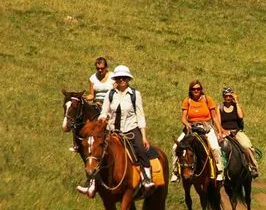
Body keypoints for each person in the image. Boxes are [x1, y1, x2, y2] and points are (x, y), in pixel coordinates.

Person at [76, 65, 154, 197]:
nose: (122, 80)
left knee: (141, 149)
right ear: (115, 79)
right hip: (112, 130)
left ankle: (147, 178)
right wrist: (102, 120)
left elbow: (140, 116)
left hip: (130, 129)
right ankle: (91, 184)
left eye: (124, 78)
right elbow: (104, 111)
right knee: (97, 151)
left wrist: (144, 136)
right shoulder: (110, 94)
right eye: (119, 78)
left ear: (128, 79)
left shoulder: (135, 94)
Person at [170, 80, 224, 183]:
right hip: (191, 127)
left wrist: (219, 131)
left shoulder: (208, 100)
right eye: (194, 89)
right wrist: (186, 123)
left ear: (201, 90)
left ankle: (220, 170)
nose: (196, 91)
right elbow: (183, 118)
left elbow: (215, 117)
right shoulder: (187, 101)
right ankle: (175, 172)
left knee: (215, 148)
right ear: (190, 90)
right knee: (175, 147)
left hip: (206, 127)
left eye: (198, 89)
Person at [69, 57, 115, 152]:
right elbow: (92, 95)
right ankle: (77, 143)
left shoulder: (113, 77)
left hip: (110, 103)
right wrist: (84, 98)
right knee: (79, 115)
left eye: (102, 68)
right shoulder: (93, 78)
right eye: (98, 68)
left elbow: (115, 92)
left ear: (106, 67)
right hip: (98, 103)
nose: (100, 70)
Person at [218, 87, 259, 178]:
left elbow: (240, 116)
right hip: (224, 132)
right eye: (226, 96)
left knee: (247, 146)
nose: (228, 98)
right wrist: (223, 131)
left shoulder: (236, 106)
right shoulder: (219, 108)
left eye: (230, 96)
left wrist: (236, 102)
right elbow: (218, 122)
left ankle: (253, 167)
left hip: (236, 132)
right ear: (223, 97)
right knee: (215, 147)